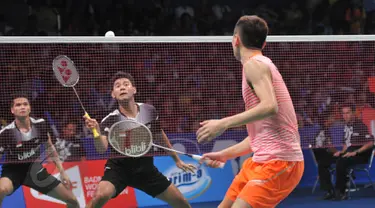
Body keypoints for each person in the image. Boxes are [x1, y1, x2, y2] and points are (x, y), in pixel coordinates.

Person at [196, 15, 304, 208]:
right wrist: (225, 154)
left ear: (236, 39)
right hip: (260, 161)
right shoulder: (258, 66)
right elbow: (261, 136)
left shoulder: (255, 65)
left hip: (281, 162)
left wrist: (222, 123)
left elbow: (270, 106)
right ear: (263, 42)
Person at [84, 72, 194, 208]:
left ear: (134, 89)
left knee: (182, 203)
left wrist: (176, 159)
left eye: (126, 84)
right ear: (113, 94)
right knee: (100, 195)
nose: (122, 88)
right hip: (119, 169)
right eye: (117, 86)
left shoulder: (149, 110)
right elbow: (101, 149)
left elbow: (160, 136)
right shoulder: (110, 119)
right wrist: (96, 132)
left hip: (146, 169)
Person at [0, 92, 79, 207]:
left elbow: (50, 147)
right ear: (12, 110)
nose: (22, 107)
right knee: (1, 190)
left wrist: (62, 172)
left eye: (25, 104)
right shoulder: (6, 133)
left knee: (72, 200)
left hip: (35, 170)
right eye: (18, 105)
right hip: (13, 170)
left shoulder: (40, 125)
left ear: (29, 108)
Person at [318, 104, 373, 200]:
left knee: (341, 162)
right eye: (343, 113)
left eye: (348, 113)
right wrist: (341, 152)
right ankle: (329, 191)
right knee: (323, 162)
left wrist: (355, 152)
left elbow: (370, 143)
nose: (345, 115)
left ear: (353, 113)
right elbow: (346, 144)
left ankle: (341, 192)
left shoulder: (360, 125)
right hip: (347, 154)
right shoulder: (346, 126)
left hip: (359, 155)